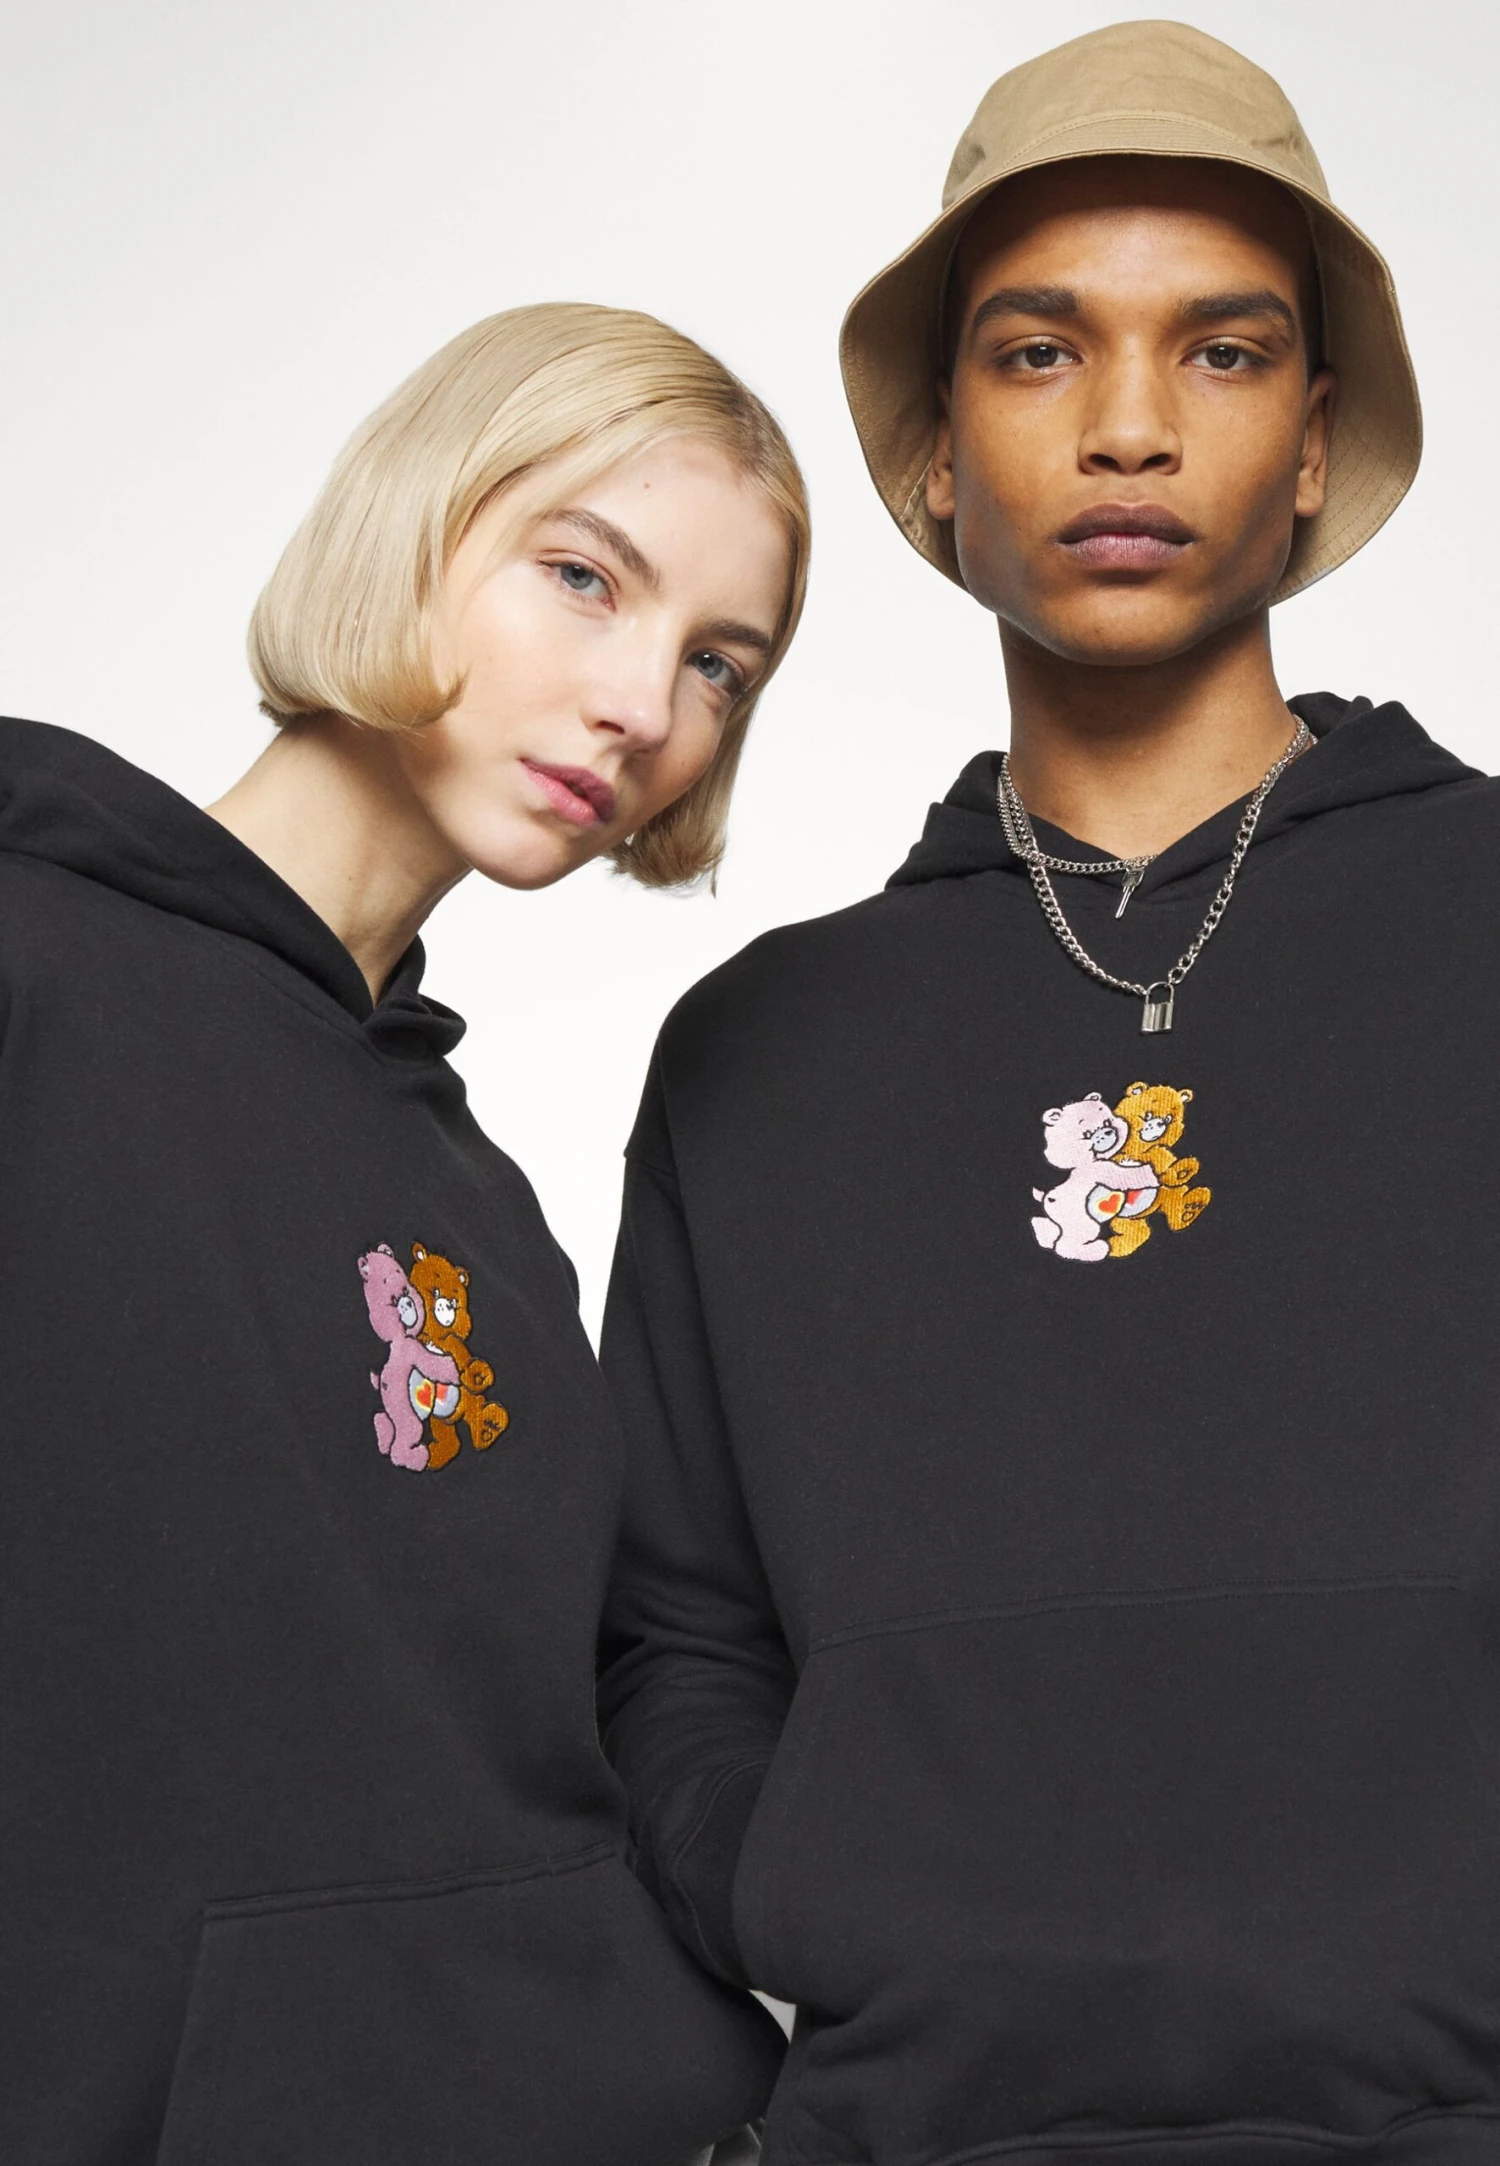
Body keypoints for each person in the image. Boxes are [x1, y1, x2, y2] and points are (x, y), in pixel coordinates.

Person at [598, 23, 1500, 2163]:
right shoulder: (761, 1050)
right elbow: (671, 1637)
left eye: (1222, 351)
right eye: (1037, 352)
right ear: (935, 455)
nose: (1127, 425)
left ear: (1313, 440)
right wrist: (810, 1891)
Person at [0, 301, 807, 2166]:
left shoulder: (485, 1217)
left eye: (720, 664)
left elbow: (530, 1761)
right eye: (583, 577)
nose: (644, 705)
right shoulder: (38, 966)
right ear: (411, 522)